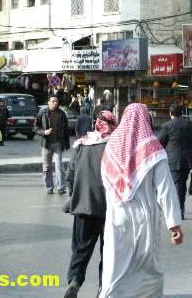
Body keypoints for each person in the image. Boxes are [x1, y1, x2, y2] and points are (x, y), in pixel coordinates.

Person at [99, 103, 183, 297]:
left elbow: (106, 183)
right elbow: (165, 189)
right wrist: (174, 224)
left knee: (115, 266)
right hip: (144, 219)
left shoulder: (111, 147)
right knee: (148, 268)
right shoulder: (153, 149)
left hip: (117, 217)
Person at [63, 111, 118, 298]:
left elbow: (70, 174)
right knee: (108, 251)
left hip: (83, 206)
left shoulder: (82, 143)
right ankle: (103, 288)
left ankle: (75, 281)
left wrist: (76, 195)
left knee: (80, 248)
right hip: (108, 209)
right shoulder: (115, 145)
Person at [157, 104, 192, 220]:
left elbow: (160, 142)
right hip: (187, 160)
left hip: (173, 160)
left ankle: (177, 211)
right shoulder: (190, 125)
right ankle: (178, 209)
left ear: (170, 113)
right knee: (181, 185)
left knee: (177, 185)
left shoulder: (167, 126)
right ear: (182, 113)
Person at [35, 95, 70, 195]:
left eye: (56, 101)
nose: (55, 103)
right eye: (53, 101)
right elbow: (35, 127)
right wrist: (44, 132)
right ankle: (49, 187)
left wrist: (67, 144)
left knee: (59, 166)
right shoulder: (42, 112)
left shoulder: (62, 113)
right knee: (47, 167)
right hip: (46, 144)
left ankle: (61, 188)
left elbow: (65, 129)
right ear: (48, 102)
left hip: (58, 143)